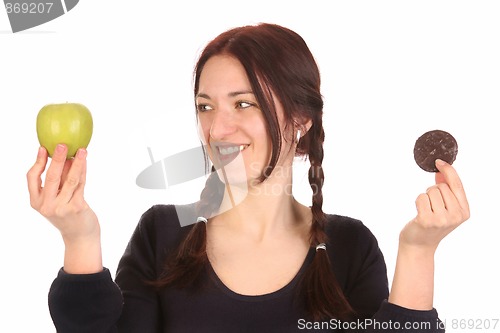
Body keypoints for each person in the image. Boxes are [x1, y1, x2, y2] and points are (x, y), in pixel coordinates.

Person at [27, 23, 470, 332]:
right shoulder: (162, 234)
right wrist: (79, 238)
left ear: (301, 118)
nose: (217, 129)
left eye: (244, 104)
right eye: (206, 106)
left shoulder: (350, 247)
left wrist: (418, 250)